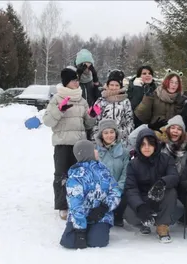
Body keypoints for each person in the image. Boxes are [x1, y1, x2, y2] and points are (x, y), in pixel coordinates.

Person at [43, 66, 96, 220]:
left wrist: (92, 115)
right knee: (62, 175)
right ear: (66, 82)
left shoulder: (82, 100)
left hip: (79, 144)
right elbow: (47, 121)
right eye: (74, 80)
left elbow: (88, 124)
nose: (76, 82)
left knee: (80, 175)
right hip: (62, 144)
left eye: (77, 80)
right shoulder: (57, 99)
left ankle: (79, 201)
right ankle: (62, 206)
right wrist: (59, 110)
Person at [60, 140, 121, 249]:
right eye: (94, 149)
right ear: (87, 153)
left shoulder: (103, 170)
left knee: (97, 242)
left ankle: (97, 230)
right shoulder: (76, 176)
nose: (97, 151)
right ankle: (83, 230)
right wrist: (80, 231)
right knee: (69, 242)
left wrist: (104, 207)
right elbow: (75, 205)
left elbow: (115, 190)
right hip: (79, 215)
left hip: (100, 214)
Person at [124, 128, 179, 243]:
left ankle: (162, 226)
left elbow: (174, 176)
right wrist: (140, 206)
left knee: (172, 193)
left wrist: (162, 182)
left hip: (161, 198)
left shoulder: (166, 159)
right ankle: (144, 223)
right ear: (138, 146)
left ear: (155, 145)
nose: (147, 147)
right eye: (143, 144)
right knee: (128, 213)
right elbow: (130, 188)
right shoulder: (133, 164)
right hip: (143, 199)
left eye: (150, 144)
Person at [95, 119, 130, 227]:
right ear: (101, 135)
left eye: (112, 132)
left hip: (118, 190)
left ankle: (118, 215)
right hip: (101, 190)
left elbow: (125, 173)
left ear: (116, 133)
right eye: (106, 133)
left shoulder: (124, 152)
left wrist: (117, 189)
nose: (109, 135)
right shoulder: (95, 152)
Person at [91, 70, 134, 149]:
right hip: (104, 140)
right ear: (107, 85)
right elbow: (96, 123)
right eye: (111, 85)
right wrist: (96, 140)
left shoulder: (125, 101)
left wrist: (126, 137)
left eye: (117, 85)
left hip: (122, 141)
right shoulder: (101, 101)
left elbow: (129, 121)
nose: (114, 87)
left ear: (120, 86)